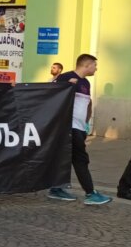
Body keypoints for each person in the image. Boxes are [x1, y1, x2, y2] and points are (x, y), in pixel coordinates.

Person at [47, 54, 112, 205]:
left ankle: (56, 189)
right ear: (86, 65)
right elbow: (50, 94)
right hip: (68, 126)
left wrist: (86, 123)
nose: (96, 68)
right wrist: (67, 86)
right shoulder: (65, 77)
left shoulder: (86, 83)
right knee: (80, 159)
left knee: (66, 158)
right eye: (94, 65)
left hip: (79, 127)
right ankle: (90, 193)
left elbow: (86, 104)